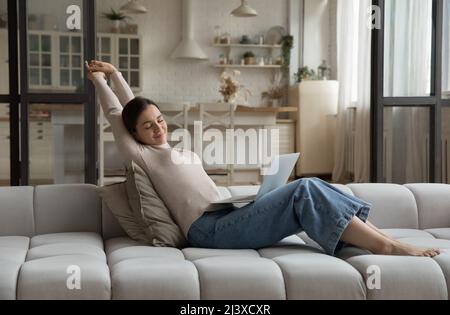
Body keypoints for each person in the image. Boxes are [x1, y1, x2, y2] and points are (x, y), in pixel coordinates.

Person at [86, 60, 441, 258]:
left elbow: (135, 109)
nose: (158, 128)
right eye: (148, 127)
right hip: (208, 232)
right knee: (303, 188)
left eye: (160, 120)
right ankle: (390, 246)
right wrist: (105, 78)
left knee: (315, 183)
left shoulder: (176, 149)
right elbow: (119, 114)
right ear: (136, 135)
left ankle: (379, 237)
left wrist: (118, 72)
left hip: (227, 213)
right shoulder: (142, 155)